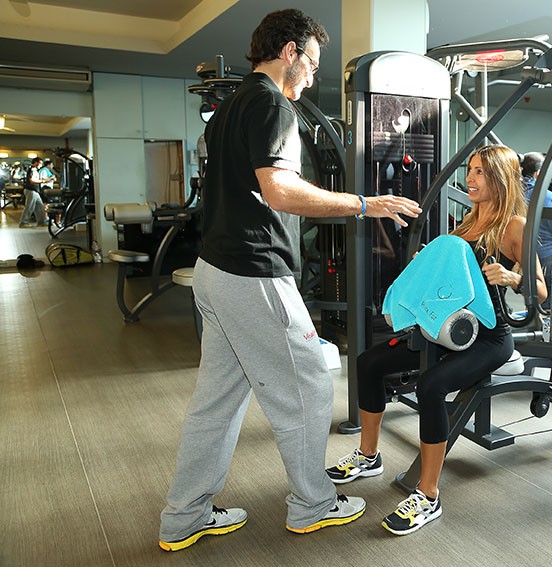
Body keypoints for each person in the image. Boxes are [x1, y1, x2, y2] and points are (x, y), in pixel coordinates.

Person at [158, 9, 422, 552]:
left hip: (215, 272)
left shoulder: (232, 106)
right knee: (310, 386)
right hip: (252, 274)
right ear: (289, 52)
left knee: (216, 404)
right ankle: (312, 504)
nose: (313, 75)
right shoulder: (273, 104)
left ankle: (183, 516)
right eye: (313, 63)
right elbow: (280, 190)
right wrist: (364, 204)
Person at [326, 145, 546, 536]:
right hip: (448, 329)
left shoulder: (515, 226)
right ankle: (368, 455)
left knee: (431, 385)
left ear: (499, 177)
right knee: (369, 363)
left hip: (489, 337)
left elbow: (541, 291)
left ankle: (428, 495)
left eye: (480, 172)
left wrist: (513, 278)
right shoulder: (467, 223)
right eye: (471, 170)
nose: (471, 178)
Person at [521, 151, 552, 310]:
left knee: (534, 306)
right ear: (538, 173)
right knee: (549, 309)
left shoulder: (514, 193)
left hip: (527, 260)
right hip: (548, 262)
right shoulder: (546, 197)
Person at [19, 157, 45, 227]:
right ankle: (23, 223)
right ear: (36, 163)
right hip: (30, 190)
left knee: (39, 206)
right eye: (40, 163)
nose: (41, 165)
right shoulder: (32, 170)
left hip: (35, 191)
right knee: (29, 207)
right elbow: (32, 180)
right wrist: (42, 181)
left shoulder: (35, 170)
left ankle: (41, 222)